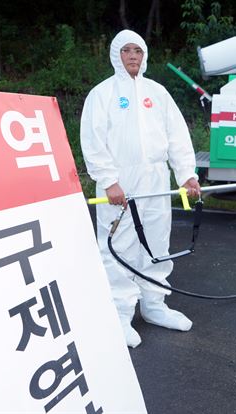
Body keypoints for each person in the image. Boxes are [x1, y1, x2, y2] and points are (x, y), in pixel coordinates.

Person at [80, 29, 201, 348]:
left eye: (138, 50)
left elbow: (177, 137)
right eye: (126, 50)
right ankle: (119, 314)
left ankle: (153, 305)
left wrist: (186, 175)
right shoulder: (102, 94)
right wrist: (108, 181)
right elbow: (92, 142)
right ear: (115, 55)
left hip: (156, 180)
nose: (133, 56)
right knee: (119, 244)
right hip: (120, 182)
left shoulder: (158, 93)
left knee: (157, 241)